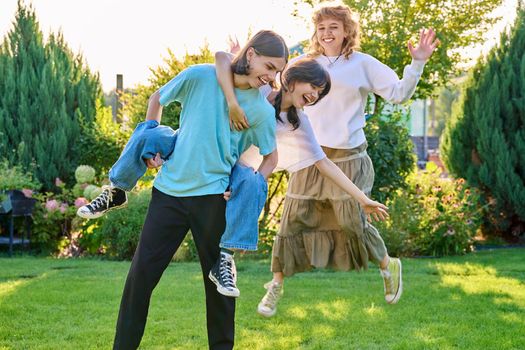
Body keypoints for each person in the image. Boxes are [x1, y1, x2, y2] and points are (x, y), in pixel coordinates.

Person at [219, 1, 440, 317]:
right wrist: (244, 58)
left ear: (347, 30)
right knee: (292, 221)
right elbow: (270, 80)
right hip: (311, 155)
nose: (326, 33)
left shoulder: (362, 64)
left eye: (333, 27)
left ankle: (387, 265)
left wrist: (417, 63)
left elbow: (399, 93)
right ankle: (276, 287)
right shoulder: (304, 63)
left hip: (348, 156)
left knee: (352, 220)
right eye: (321, 28)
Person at [110, 30, 288, 350]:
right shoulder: (200, 76)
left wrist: (246, 187)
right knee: (140, 278)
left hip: (213, 199)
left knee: (220, 287)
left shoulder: (259, 111)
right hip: (169, 194)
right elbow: (157, 99)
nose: (271, 76)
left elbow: (270, 158)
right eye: (269, 66)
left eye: (277, 71)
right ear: (251, 55)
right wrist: (151, 149)